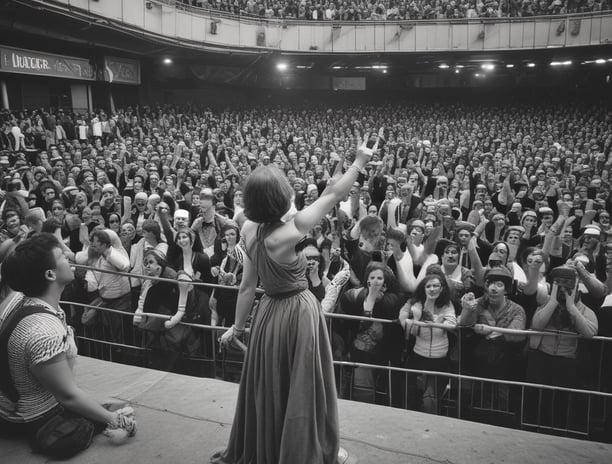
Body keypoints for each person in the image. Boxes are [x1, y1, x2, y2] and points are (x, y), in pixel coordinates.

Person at [212, 133, 377, 464]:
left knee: (273, 385)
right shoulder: (291, 231)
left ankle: (272, 447)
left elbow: (247, 286)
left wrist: (238, 327)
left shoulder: (247, 229)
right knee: (302, 387)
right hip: (298, 312)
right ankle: (305, 450)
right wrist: (359, 160)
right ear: (281, 196)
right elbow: (334, 194)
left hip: (268, 313)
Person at [0, 233, 135, 459]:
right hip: (30, 417)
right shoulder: (43, 332)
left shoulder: (19, 298)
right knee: (94, 419)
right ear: (50, 274)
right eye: (62, 256)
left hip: (18, 404)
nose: (69, 257)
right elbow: (67, 396)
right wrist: (115, 421)